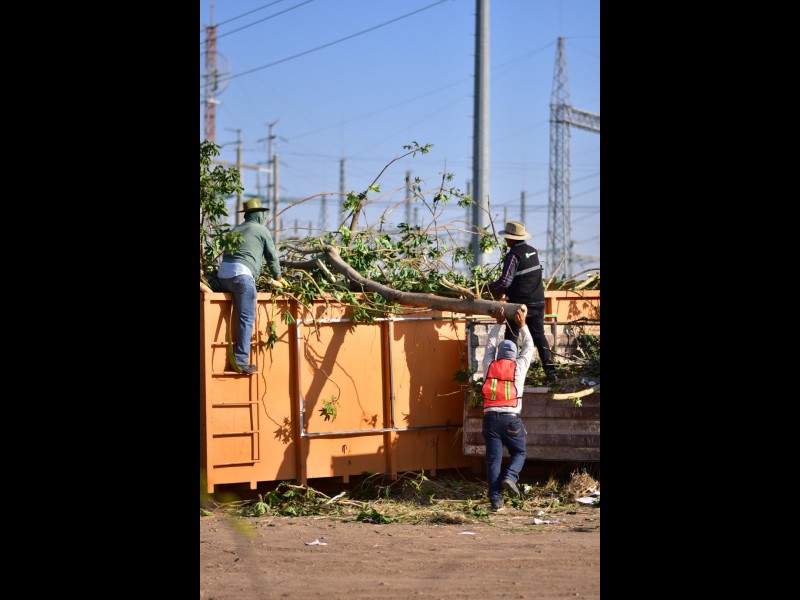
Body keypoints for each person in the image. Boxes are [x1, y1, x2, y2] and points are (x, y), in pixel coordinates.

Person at [217, 198, 287, 374]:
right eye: (262, 213)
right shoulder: (262, 230)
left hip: (223, 277)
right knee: (247, 317)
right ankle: (241, 361)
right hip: (242, 277)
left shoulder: (235, 229)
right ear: (258, 215)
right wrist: (278, 277)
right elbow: (272, 257)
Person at [488, 220, 557, 382]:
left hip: (519, 306)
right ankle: (551, 373)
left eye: (507, 237)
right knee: (539, 337)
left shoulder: (513, 256)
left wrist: (490, 288)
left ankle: (508, 374)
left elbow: (505, 282)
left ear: (512, 238)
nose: (505, 240)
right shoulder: (533, 251)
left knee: (511, 338)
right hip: (538, 302)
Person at [481, 305, 533, 512]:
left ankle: (496, 501)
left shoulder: (489, 366)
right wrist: (523, 325)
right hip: (511, 419)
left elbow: (489, 346)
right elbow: (529, 347)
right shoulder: (518, 367)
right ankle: (510, 477)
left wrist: (498, 324)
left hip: (490, 419)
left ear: (499, 354)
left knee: (493, 461)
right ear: (514, 355)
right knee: (519, 452)